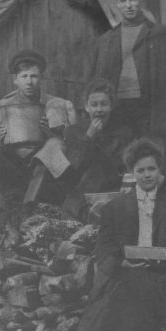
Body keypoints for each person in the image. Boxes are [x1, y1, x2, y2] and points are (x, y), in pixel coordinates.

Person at [75, 138, 166, 331]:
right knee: (122, 298)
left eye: (151, 169)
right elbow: (104, 247)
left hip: (161, 275)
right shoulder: (115, 207)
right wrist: (122, 261)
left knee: (135, 296)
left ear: (160, 170)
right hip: (125, 274)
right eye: (140, 170)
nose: (146, 175)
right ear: (132, 173)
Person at [89, 0, 166, 194]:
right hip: (118, 107)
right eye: (123, 0)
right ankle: (122, 196)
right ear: (117, 4)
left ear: (141, 2)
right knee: (120, 150)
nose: (128, 5)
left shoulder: (160, 34)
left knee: (158, 149)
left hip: (152, 105)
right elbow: (95, 79)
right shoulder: (106, 40)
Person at [0, 50, 79, 246]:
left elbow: (72, 146)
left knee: (53, 145)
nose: (29, 82)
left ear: (42, 78)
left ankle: (27, 214)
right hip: (12, 172)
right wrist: (0, 143)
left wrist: (53, 136)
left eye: (34, 76)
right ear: (15, 79)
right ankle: (4, 221)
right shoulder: (2, 107)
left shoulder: (56, 105)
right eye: (24, 76)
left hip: (42, 175)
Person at [61, 78, 135, 223]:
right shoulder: (74, 132)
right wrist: (89, 136)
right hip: (81, 198)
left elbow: (125, 169)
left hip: (112, 195)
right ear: (87, 107)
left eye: (104, 104)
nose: (99, 110)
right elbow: (75, 167)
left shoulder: (124, 133)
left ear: (111, 107)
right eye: (94, 105)